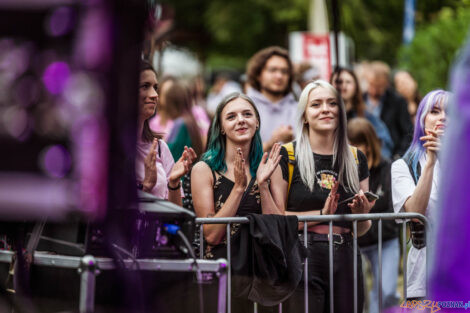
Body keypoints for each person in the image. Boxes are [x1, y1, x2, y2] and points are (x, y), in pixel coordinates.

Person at [281, 80, 374, 313]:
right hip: (302, 254)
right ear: (304, 115)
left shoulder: (355, 157)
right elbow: (278, 217)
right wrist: (322, 214)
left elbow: (362, 228)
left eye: (332, 103)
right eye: (316, 104)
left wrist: (362, 216)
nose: (325, 109)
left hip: (347, 253)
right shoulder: (287, 154)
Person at [191, 92, 285, 312]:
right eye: (231, 116)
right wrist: (239, 188)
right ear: (221, 127)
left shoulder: (271, 167)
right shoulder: (204, 170)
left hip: (262, 277)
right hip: (221, 275)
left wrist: (263, 186)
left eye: (247, 114)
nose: (241, 120)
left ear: (257, 122)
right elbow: (212, 234)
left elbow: (279, 228)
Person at [392, 89, 450, 300]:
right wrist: (431, 164)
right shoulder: (403, 166)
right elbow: (414, 212)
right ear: (422, 120)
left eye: (450, 111)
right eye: (435, 111)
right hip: (424, 275)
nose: (443, 117)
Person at [347, 117, 399, 313]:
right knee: (357, 296)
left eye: (357, 143)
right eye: (348, 144)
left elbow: (393, 211)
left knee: (386, 292)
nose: (352, 149)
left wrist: (366, 223)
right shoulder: (343, 171)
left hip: (384, 241)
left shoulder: (388, 168)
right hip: (355, 242)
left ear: (368, 145)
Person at [135, 62, 197, 205]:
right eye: (145, 86)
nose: (155, 95)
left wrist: (174, 182)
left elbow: (175, 212)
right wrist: (144, 186)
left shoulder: (160, 147)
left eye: (156, 88)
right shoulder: (107, 147)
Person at [331, 67, 394, 158]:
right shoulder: (325, 115)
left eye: (348, 82)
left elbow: (385, 144)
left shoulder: (366, 116)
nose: (343, 85)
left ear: (355, 86)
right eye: (339, 82)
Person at [246, 46, 297, 151]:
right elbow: (238, 156)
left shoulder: (300, 109)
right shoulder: (244, 109)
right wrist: (271, 143)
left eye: (284, 71)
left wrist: (293, 143)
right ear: (258, 75)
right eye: (272, 70)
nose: (279, 76)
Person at [364, 61, 413, 158]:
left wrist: (399, 155)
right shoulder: (360, 100)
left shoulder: (398, 102)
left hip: (390, 156)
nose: (374, 90)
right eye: (371, 85)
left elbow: (407, 132)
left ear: (386, 84)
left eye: (378, 87)